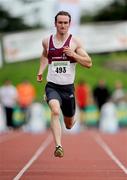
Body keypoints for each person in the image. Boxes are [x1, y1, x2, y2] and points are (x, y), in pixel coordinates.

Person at [37, 11, 92, 158]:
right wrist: (41, 70)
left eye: (65, 23)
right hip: (52, 86)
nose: (63, 25)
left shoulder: (75, 42)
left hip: (68, 88)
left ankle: (72, 115)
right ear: (55, 24)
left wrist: (73, 55)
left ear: (69, 24)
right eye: (60, 22)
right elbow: (44, 55)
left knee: (68, 124)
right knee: (55, 111)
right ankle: (58, 146)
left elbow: (88, 63)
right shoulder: (47, 41)